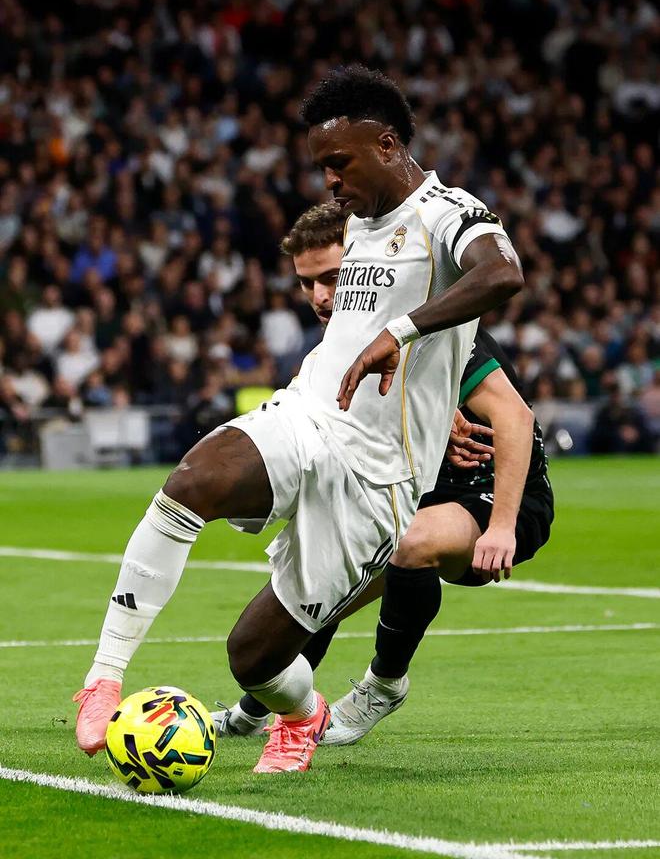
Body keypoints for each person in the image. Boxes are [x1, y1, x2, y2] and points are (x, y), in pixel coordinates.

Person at [73, 65, 523, 774]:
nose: (330, 181)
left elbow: (502, 274)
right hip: (310, 414)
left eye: (339, 163)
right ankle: (103, 677)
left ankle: (302, 713)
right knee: (194, 479)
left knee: (252, 657)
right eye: (321, 168)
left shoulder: (447, 212)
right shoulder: (357, 222)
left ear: (387, 144)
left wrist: (400, 334)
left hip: (377, 482)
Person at [214, 202, 553, 744]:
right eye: (306, 283)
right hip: (409, 494)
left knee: (409, 544)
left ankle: (384, 685)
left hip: (489, 497)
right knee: (320, 584)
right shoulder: (334, 352)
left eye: (332, 278)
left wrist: (502, 527)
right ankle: (255, 710)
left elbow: (515, 417)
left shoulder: (429, 328)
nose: (320, 296)